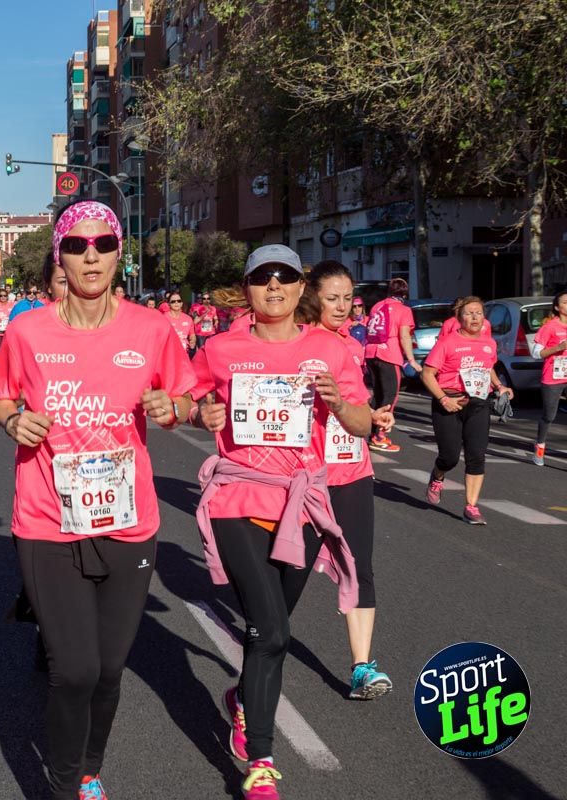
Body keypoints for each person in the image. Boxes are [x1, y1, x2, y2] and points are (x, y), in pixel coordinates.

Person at [0, 199, 196, 800]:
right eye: (77, 245)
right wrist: (11, 422)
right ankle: (61, 784)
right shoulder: (28, 331)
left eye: (103, 243)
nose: (91, 255)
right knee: (73, 669)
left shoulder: (152, 329)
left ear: (118, 252)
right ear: (61, 255)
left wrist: (173, 409)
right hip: (47, 519)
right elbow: (0, 393)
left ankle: (87, 768)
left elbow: (185, 397)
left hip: (128, 521)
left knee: (108, 671)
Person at [191, 244, 367, 800]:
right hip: (238, 497)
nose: (274, 287)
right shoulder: (219, 349)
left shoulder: (331, 350)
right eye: (262, 278)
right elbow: (183, 398)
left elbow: (362, 423)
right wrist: (201, 412)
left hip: (302, 504)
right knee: (271, 631)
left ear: (301, 288)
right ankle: (261, 761)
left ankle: (243, 700)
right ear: (246, 288)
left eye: (285, 278)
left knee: (268, 635)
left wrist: (339, 403)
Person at [300, 262, 394, 700]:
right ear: (312, 296)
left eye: (348, 299)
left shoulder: (352, 344)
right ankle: (261, 657)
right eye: (331, 297)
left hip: (353, 470)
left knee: (360, 566)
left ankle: (362, 667)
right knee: (286, 573)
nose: (341, 307)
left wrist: (373, 416)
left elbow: (355, 403)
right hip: (306, 477)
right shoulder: (295, 342)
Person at [421, 297, 513, 524]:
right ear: (459, 318)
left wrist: (500, 386)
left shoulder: (488, 343)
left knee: (476, 456)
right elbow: (427, 374)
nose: (474, 317)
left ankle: (471, 506)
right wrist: (443, 399)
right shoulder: (447, 343)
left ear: (484, 318)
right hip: (450, 403)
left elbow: (488, 366)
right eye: (469, 313)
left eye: (479, 313)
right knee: (450, 456)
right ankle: (437, 475)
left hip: (478, 404)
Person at [364, 278, 421, 452]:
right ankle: (379, 436)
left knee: (378, 394)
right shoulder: (403, 310)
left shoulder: (377, 306)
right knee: (390, 397)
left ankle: (369, 432)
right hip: (389, 353)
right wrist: (411, 360)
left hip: (371, 352)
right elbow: (404, 336)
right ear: (404, 294)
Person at [532, 291, 567, 465]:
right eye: (566, 302)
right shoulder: (550, 327)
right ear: (557, 307)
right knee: (549, 415)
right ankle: (540, 445)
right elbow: (536, 353)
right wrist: (558, 347)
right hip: (553, 376)